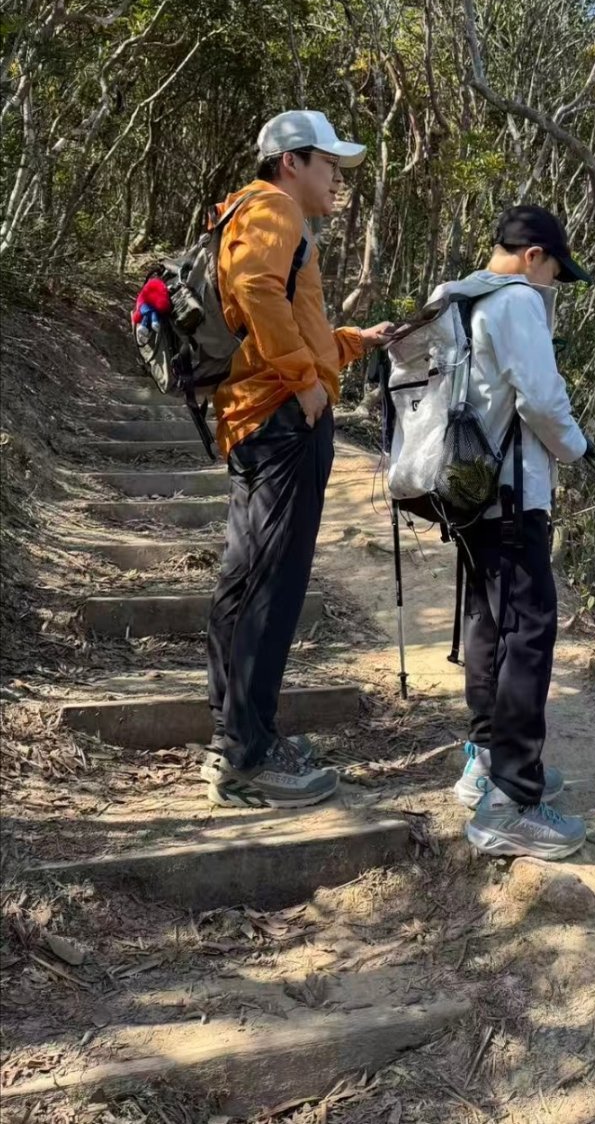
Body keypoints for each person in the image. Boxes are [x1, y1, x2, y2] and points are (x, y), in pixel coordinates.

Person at [201, 110, 393, 809]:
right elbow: (257, 292)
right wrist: (307, 384)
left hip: (264, 412)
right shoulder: (276, 207)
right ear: (291, 162)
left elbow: (283, 317)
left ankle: (237, 736)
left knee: (247, 577)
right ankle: (248, 757)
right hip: (282, 419)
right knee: (272, 586)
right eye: (329, 164)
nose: (337, 178)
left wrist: (353, 342)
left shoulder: (253, 212)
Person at [445, 205, 592, 861]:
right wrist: (577, 449)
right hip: (511, 493)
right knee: (529, 631)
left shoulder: (459, 297)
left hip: (466, 489)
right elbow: (541, 398)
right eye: (556, 270)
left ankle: (487, 763)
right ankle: (512, 800)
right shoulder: (517, 301)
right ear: (534, 256)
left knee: (489, 621)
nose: (554, 283)